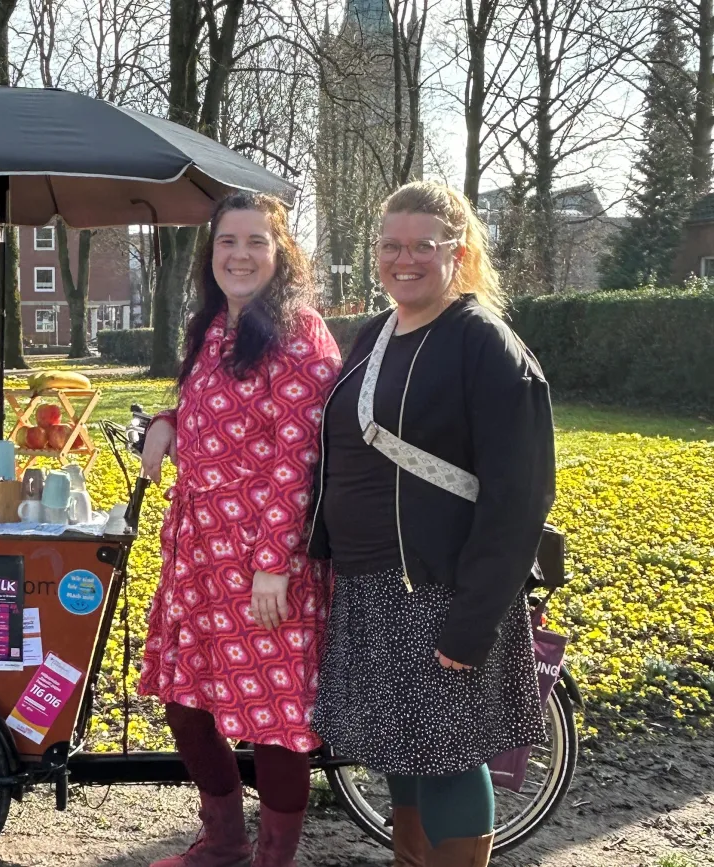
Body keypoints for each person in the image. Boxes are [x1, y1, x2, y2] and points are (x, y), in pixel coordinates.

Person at [309, 180, 555, 867]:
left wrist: (473, 620)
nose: (404, 258)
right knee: (401, 746)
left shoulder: (486, 345)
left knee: (446, 753)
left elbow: (521, 497)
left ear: (460, 249)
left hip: (442, 590)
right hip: (373, 584)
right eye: (391, 245)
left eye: (424, 245)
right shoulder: (376, 332)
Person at [139, 192, 342, 867]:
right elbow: (204, 405)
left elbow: (299, 457)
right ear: (212, 253)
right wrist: (168, 421)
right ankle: (223, 837)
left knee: (276, 717)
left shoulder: (299, 332)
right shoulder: (210, 327)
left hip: (264, 562)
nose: (241, 254)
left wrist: (272, 562)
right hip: (196, 555)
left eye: (257, 240)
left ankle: (272, 857)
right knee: (184, 699)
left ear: (279, 252)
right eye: (229, 241)